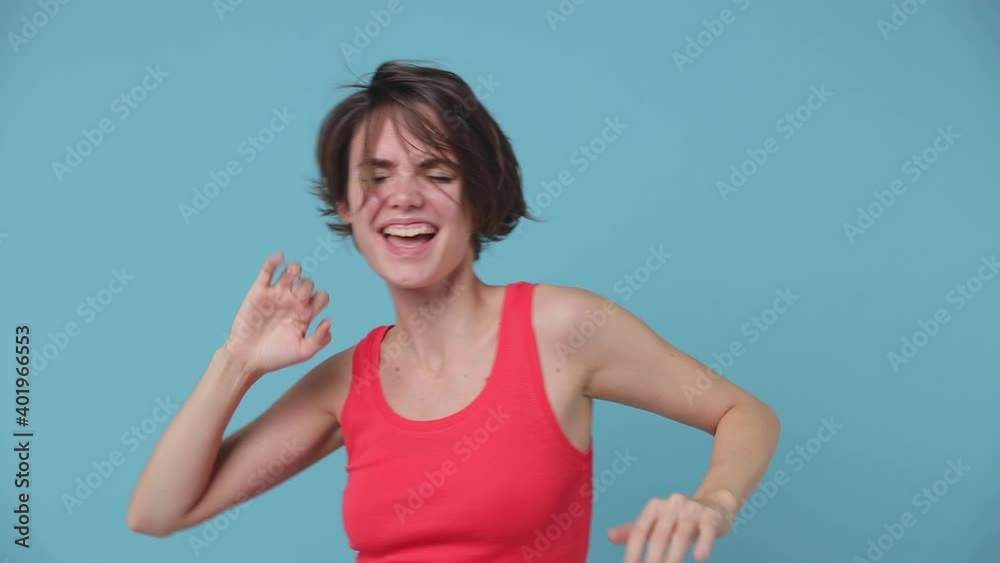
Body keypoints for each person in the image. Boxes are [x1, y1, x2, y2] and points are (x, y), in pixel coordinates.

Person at [127, 60, 781, 563]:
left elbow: (744, 412)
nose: (404, 197)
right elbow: (157, 513)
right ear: (347, 207)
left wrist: (713, 502)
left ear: (479, 194)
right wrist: (236, 364)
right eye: (376, 177)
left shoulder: (562, 330)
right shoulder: (346, 381)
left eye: (437, 173)